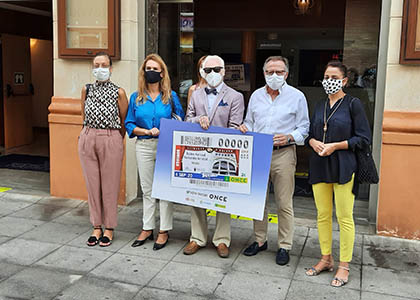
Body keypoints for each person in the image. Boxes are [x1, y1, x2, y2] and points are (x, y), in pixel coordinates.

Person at [304, 60, 371, 287]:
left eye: (334, 78)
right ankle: (326, 258)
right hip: (319, 164)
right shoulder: (319, 104)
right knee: (322, 214)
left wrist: (336, 145)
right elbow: (310, 134)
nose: (329, 81)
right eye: (326, 77)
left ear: (344, 81)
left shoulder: (354, 104)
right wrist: (312, 142)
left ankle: (344, 265)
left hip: (344, 165)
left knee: (344, 217)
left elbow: (363, 139)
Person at [239, 56, 310, 265]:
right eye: (270, 72)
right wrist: (244, 128)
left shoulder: (297, 97)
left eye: (279, 72)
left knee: (284, 203)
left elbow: (304, 128)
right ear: (264, 73)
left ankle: (284, 245)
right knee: (259, 201)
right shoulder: (255, 96)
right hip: (259, 152)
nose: (274, 76)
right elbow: (249, 122)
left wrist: (289, 136)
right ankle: (260, 240)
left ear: (286, 74)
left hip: (284, 153)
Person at [183, 55, 245, 258]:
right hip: (198, 154)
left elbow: (235, 128)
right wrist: (196, 121)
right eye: (208, 70)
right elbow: (187, 119)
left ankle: (221, 240)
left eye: (216, 69)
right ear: (202, 72)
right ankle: (197, 238)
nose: (212, 74)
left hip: (222, 154)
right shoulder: (196, 94)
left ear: (224, 71)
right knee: (197, 195)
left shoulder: (235, 96)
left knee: (222, 197)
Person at [125, 53, 185, 251]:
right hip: (143, 145)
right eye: (147, 69)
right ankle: (147, 227)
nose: (151, 72)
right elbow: (129, 123)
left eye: (154, 69)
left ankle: (164, 230)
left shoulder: (171, 96)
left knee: (164, 189)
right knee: (148, 189)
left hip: (165, 145)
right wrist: (145, 131)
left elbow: (180, 120)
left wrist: (165, 128)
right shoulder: (136, 97)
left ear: (162, 73)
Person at [79, 52, 128, 247]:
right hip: (88, 136)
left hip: (111, 137)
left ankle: (109, 227)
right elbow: (83, 113)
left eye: (104, 65)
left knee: (110, 185)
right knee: (92, 185)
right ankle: (96, 225)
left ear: (111, 68)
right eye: (96, 65)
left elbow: (124, 120)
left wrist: (115, 138)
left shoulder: (119, 92)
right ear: (92, 68)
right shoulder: (86, 89)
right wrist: (85, 135)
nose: (100, 69)